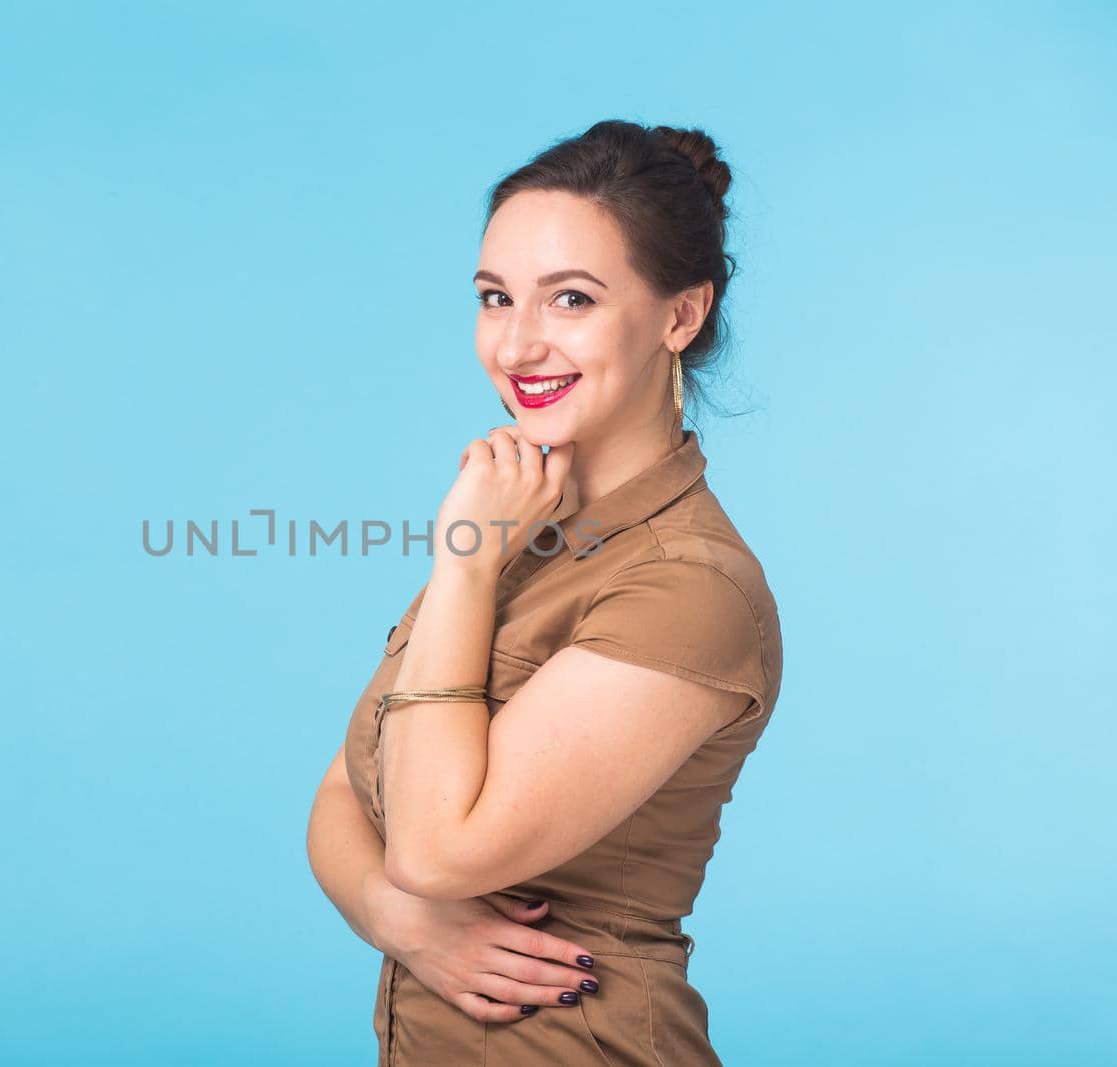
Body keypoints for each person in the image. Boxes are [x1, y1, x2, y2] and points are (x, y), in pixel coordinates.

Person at [306, 119, 784, 1066]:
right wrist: (400, 918)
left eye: (571, 298)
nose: (519, 344)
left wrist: (464, 559)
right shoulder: (515, 523)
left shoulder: (687, 585)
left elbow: (439, 848)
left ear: (680, 315)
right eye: (495, 298)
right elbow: (342, 796)